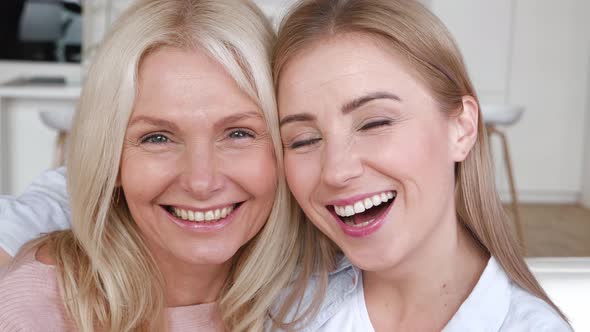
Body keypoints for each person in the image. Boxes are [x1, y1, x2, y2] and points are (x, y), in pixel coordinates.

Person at [0, 0, 301, 330]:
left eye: (239, 133)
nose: (201, 181)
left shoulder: (322, 293)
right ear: (110, 159)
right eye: (157, 138)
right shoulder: (39, 307)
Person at [271, 0, 572, 331]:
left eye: (375, 123)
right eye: (303, 140)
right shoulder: (276, 313)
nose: (336, 171)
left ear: (462, 127)